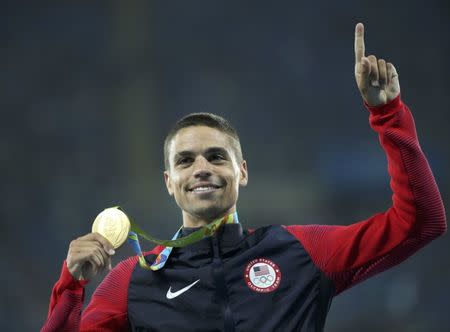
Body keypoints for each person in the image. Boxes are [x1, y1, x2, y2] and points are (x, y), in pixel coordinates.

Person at [41, 23, 446, 332]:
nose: (202, 168)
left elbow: (421, 223)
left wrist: (389, 115)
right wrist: (71, 286)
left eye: (216, 157)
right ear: (170, 181)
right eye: (185, 161)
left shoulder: (301, 252)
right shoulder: (130, 282)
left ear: (242, 171)